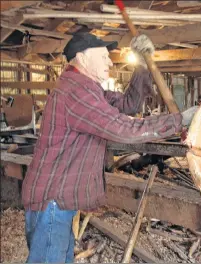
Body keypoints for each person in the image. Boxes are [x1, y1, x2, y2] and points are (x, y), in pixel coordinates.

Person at [21, 33, 182, 263]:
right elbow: (122, 129)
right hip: (52, 201)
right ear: (82, 58)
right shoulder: (76, 93)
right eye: (104, 57)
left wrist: (143, 64)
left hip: (60, 198)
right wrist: (178, 121)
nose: (110, 62)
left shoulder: (89, 90)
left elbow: (128, 104)